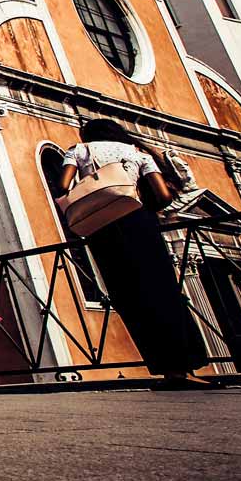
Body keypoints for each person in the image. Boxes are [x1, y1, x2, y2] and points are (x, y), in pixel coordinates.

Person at [58, 118, 209, 387]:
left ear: (88, 135)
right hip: (139, 223)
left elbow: (63, 185)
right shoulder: (136, 153)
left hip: (101, 228)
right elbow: (162, 196)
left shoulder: (80, 150)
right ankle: (184, 368)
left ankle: (163, 368)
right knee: (164, 291)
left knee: (128, 296)